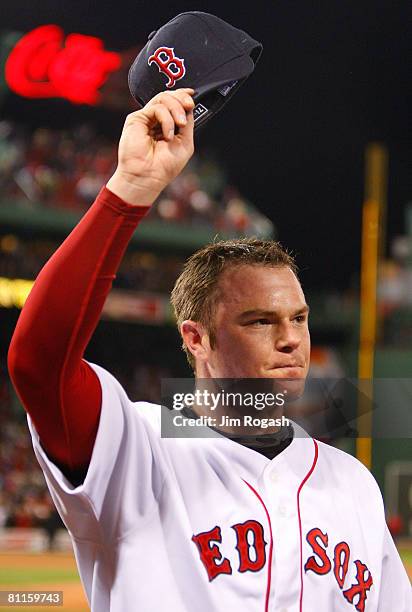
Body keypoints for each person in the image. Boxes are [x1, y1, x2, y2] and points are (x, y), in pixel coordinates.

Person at [8, 89, 411, 611]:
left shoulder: (353, 483)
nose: (291, 338)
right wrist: (128, 190)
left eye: (299, 318)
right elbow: (38, 363)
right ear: (195, 338)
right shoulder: (136, 449)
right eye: (260, 321)